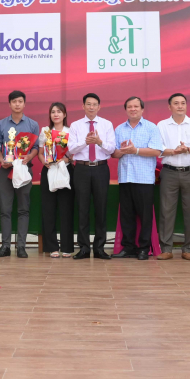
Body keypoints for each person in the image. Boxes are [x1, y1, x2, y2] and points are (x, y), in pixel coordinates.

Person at [112, 97, 164, 260]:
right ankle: (128, 247)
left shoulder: (151, 127)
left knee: (145, 215)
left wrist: (135, 150)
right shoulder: (119, 129)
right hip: (125, 178)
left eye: (136, 106)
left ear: (142, 109)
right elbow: (113, 153)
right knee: (127, 215)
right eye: (129, 107)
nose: (133, 109)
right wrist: (122, 151)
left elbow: (156, 151)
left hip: (144, 179)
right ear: (125, 109)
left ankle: (143, 248)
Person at [157, 93, 190, 261]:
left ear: (186, 106)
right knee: (166, 211)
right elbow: (158, 147)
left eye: (183, 103)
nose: (180, 106)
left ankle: (189, 249)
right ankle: (166, 249)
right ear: (169, 107)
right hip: (169, 171)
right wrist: (173, 151)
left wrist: (188, 149)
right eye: (176, 103)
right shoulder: (162, 125)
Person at [68, 93, 116, 259]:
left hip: (101, 169)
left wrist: (99, 142)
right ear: (83, 106)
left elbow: (111, 149)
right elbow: (70, 150)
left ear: (99, 107)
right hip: (81, 169)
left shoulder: (107, 124)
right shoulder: (75, 125)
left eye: (94, 104)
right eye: (88, 104)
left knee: (101, 208)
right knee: (82, 208)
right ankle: (83, 248)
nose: (91, 107)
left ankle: (100, 248)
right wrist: (86, 143)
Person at [0, 90, 40, 259]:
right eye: (14, 101)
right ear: (9, 104)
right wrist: (1, 160)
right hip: (6, 170)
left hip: (24, 170)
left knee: (23, 209)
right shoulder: (1, 124)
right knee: (5, 210)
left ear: (24, 103)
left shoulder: (33, 124)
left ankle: (21, 246)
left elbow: (36, 147)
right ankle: (5, 246)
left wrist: (30, 156)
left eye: (20, 101)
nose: (17, 104)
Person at [39, 102, 74, 258]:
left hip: (66, 170)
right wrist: (44, 161)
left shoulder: (70, 131)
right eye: (53, 112)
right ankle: (52, 246)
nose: (56, 114)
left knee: (66, 209)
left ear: (65, 114)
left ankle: (67, 246)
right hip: (49, 171)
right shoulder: (45, 131)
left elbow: (75, 153)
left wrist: (66, 160)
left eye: (59, 111)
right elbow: (41, 152)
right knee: (49, 210)